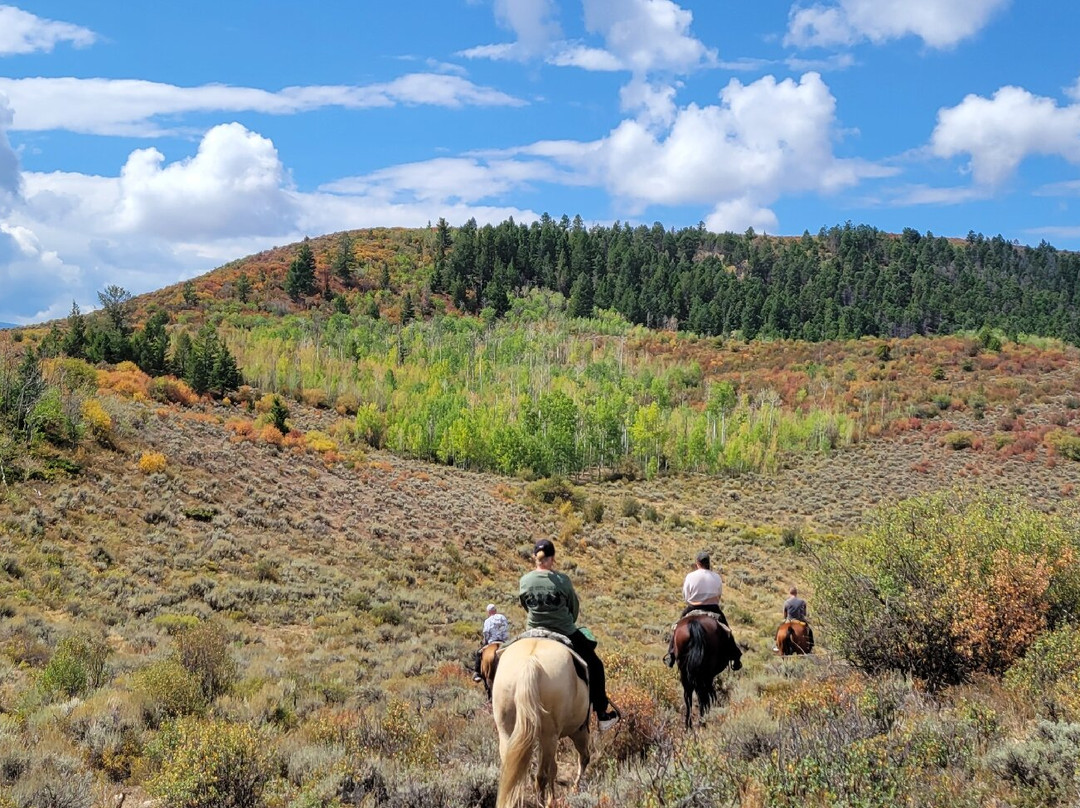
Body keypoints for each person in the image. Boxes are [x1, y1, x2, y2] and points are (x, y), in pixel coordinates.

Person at [518, 538, 620, 731]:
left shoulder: (525, 580)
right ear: (552, 558)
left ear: (534, 558)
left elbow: (525, 605)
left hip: (533, 630)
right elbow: (573, 610)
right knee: (595, 665)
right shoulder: (563, 581)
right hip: (563, 630)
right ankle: (602, 714)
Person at [664, 550, 729, 667]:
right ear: (708, 563)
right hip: (713, 607)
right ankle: (734, 654)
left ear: (697, 563)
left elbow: (685, 596)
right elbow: (719, 594)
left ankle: (671, 654)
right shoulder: (716, 577)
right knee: (727, 629)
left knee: (677, 627)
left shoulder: (690, 576)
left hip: (693, 606)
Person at [473, 603, 510, 682]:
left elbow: (486, 633)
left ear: (488, 612)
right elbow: (506, 629)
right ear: (495, 610)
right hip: (503, 642)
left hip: (491, 642)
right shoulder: (502, 617)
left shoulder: (487, 621)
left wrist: (486, 642)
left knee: (478, 653)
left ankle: (477, 673)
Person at [774, 586, 814, 650]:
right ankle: (811, 644)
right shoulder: (802, 602)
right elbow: (804, 613)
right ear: (796, 593)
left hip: (789, 620)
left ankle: (776, 644)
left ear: (789, 593)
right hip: (800, 620)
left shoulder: (786, 602)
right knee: (809, 630)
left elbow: (785, 615)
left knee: (779, 628)